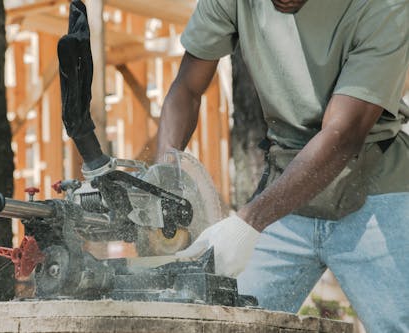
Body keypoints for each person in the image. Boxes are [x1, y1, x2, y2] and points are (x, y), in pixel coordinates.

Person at [156, 0, 409, 331]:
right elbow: (187, 87)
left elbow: (343, 135)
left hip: (374, 188)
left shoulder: (384, 6)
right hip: (285, 191)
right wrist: (164, 176)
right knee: (220, 323)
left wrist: (247, 223)